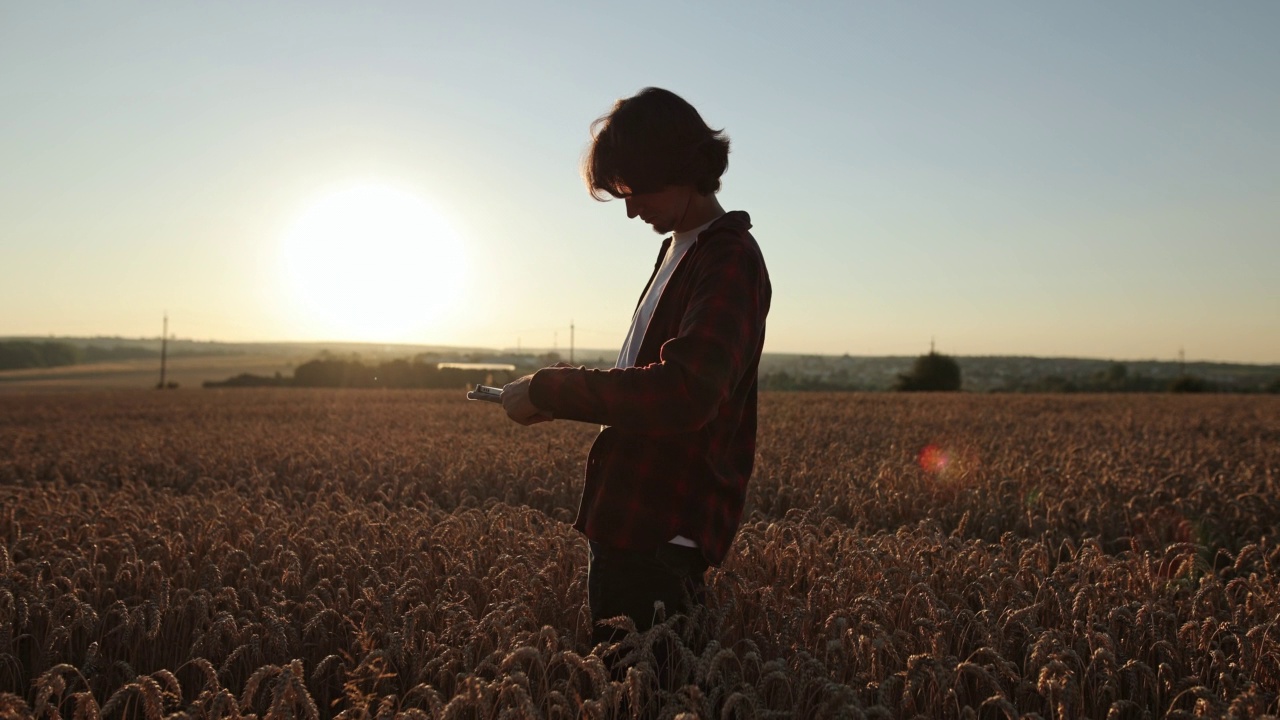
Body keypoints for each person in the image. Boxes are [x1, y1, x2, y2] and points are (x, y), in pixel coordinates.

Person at [501, 87, 771, 647]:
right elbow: (647, 380)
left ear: (676, 166)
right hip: (632, 525)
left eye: (632, 188)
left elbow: (684, 393)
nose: (628, 207)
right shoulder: (683, 247)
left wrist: (551, 390)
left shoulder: (727, 259)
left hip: (660, 533)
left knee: (645, 695)